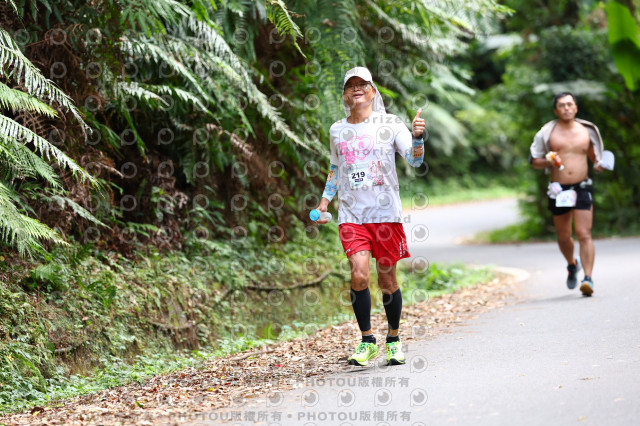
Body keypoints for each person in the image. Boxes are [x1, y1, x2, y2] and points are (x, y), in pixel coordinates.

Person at [313, 67, 426, 366]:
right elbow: (335, 169)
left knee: (387, 279)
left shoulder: (390, 124)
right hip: (352, 215)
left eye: (362, 84)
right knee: (360, 274)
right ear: (344, 95)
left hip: (386, 214)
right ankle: (367, 341)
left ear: (373, 91)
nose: (356, 89)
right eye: (350, 85)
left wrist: (418, 138)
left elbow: (415, 160)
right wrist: (324, 202)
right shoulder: (337, 130)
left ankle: (393, 339)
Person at [529, 92, 605, 297]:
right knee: (564, 236)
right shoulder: (548, 132)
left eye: (570, 104)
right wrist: (548, 161)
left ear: (576, 107)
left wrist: (600, 165)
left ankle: (588, 278)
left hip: (582, 186)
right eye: (562, 105)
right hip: (559, 189)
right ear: (556, 110)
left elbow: (595, 158)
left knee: (584, 233)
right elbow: (534, 161)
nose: (566, 108)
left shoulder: (587, 130)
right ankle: (572, 264)